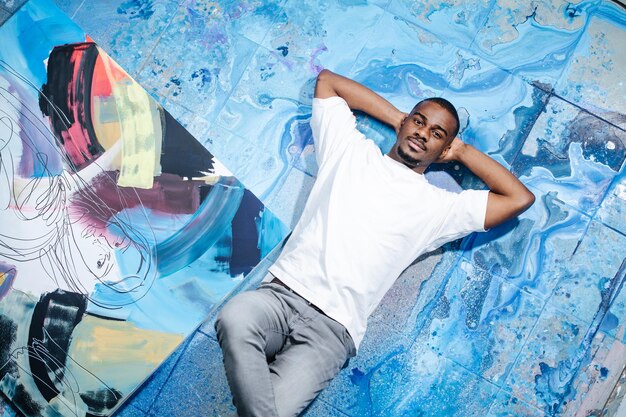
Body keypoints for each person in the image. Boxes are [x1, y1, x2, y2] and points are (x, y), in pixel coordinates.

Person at [214, 69, 535, 417]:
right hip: (282, 294)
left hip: (332, 333)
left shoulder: (440, 208)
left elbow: (518, 198)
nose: (422, 133)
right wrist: (399, 119)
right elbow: (328, 82)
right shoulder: (349, 151)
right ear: (405, 121)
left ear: (444, 148)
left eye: (436, 134)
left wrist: (462, 151)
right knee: (235, 317)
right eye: (419, 121)